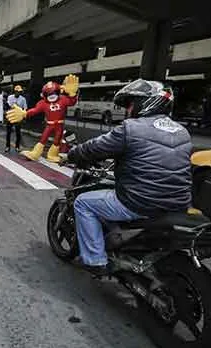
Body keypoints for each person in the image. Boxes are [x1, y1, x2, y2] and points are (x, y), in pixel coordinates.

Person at [65, 79, 192, 276]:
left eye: (132, 103)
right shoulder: (182, 131)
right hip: (178, 203)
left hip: (140, 202)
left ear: (147, 103)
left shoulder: (131, 128)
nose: (129, 109)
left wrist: (73, 154)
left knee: (83, 203)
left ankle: (95, 260)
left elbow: (95, 147)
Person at [7, 75, 79, 162]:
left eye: (53, 93)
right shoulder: (43, 103)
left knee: (57, 140)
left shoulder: (63, 99)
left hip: (59, 124)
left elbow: (72, 102)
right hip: (50, 124)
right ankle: (35, 153)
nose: (52, 96)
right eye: (49, 94)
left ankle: (52, 155)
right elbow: (34, 110)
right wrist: (24, 114)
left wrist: (73, 94)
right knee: (43, 138)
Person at [5, 85, 26, 152]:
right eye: (17, 92)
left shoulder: (23, 99)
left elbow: (25, 108)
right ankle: (7, 146)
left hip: (18, 117)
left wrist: (23, 116)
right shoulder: (10, 97)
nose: (18, 93)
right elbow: (9, 105)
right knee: (8, 132)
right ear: (14, 91)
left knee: (18, 132)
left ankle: (17, 146)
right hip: (11, 116)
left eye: (19, 92)